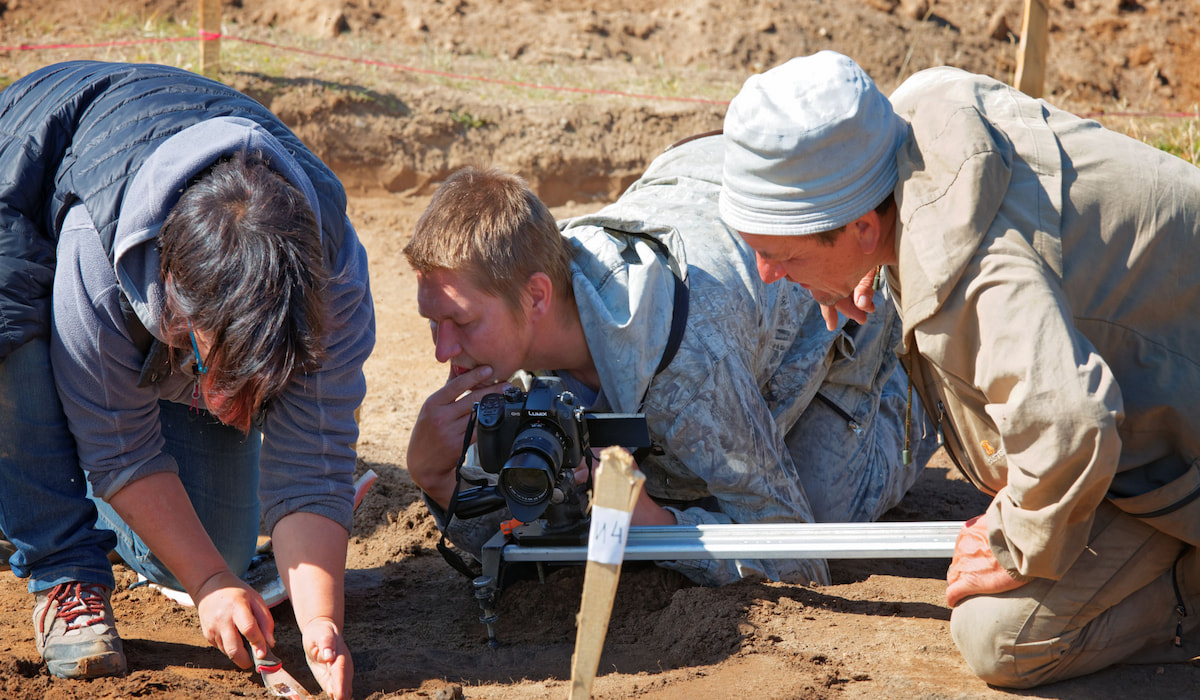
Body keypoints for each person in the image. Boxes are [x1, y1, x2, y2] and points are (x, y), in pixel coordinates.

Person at [717, 49, 1200, 688]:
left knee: (1002, 637)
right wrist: (886, 272)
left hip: (1163, 429)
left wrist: (1015, 541)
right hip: (1166, 379)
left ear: (863, 225)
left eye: (782, 255)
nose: (767, 274)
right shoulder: (918, 125)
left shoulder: (981, 279)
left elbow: (1071, 421)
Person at [402, 132, 939, 588]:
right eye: (434, 322)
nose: (442, 351)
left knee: (820, 512)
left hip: (831, 295)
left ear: (537, 298)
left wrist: (655, 525)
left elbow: (796, 557)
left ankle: (924, 383)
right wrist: (437, 478)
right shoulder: (514, 302)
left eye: (463, 324)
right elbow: (519, 532)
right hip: (697, 187)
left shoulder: (692, 367)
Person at [0, 61, 374, 699]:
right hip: (24, 191)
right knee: (11, 338)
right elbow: (119, 444)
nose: (234, 412)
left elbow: (313, 460)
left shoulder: (332, 272)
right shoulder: (100, 250)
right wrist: (202, 585)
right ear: (175, 301)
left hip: (153, 278)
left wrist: (317, 621)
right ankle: (62, 563)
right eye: (219, 371)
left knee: (223, 550)